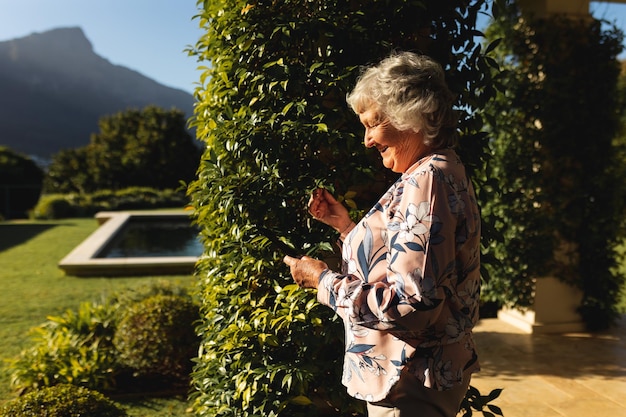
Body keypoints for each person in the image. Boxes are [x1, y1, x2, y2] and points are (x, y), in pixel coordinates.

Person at [283, 51, 481, 417]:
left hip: (407, 381)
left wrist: (322, 281)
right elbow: (414, 265)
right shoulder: (440, 169)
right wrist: (346, 227)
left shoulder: (427, 180)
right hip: (415, 377)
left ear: (413, 116)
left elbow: (411, 307)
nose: (367, 141)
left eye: (372, 124)